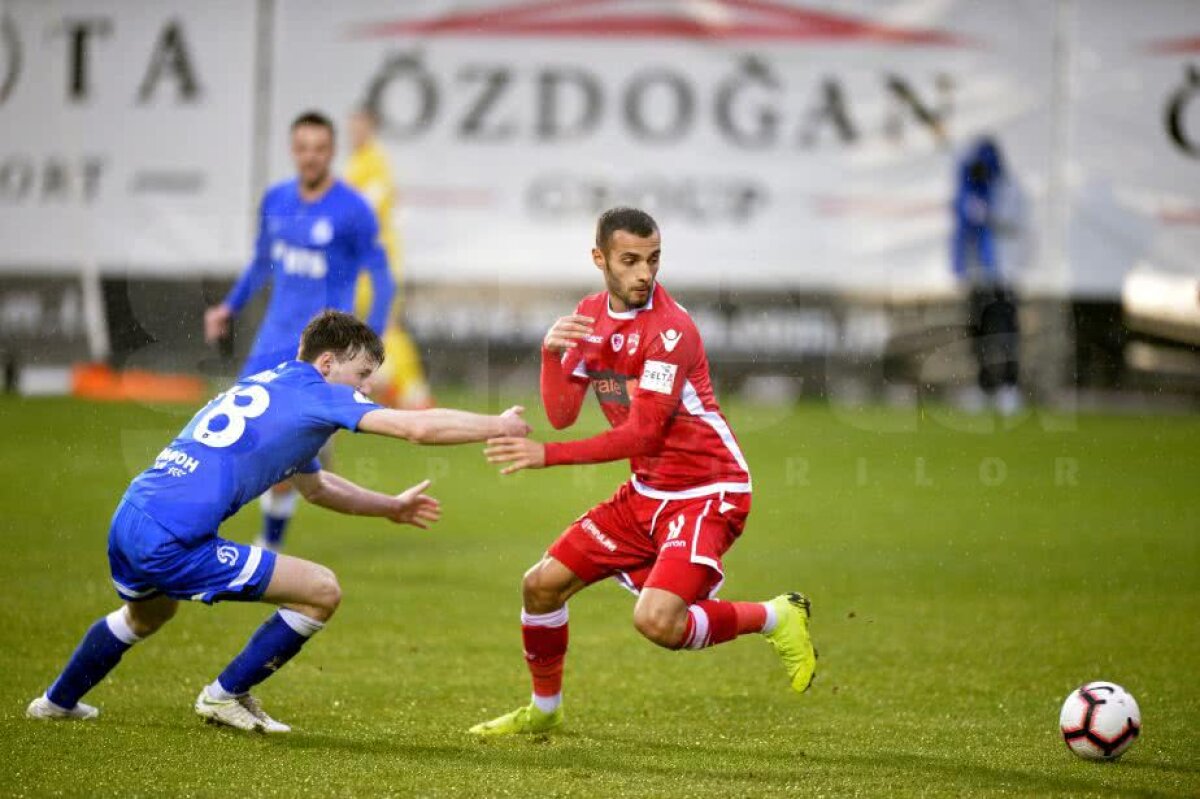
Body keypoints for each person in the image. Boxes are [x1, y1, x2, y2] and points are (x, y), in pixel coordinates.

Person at [27, 311, 530, 733]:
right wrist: (498, 425)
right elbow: (417, 427)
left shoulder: (273, 387)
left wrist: (389, 507)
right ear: (327, 362)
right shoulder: (320, 394)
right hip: (174, 540)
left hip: (133, 515)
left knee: (147, 616)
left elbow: (317, 487)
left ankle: (56, 702)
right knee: (321, 590)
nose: (366, 388)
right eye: (361, 375)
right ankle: (224, 695)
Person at [468, 208, 816, 737]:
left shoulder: (671, 331)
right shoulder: (588, 317)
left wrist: (550, 455)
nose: (643, 273)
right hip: (648, 492)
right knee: (540, 587)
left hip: (708, 491)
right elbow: (561, 412)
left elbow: (643, 434)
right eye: (629, 261)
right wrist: (549, 353)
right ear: (599, 259)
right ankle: (545, 710)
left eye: (652, 260)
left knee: (657, 622)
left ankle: (775, 616)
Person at [204, 110, 397, 552]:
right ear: (294, 151)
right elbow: (260, 265)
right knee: (237, 437)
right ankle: (229, 527)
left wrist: (371, 356)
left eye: (320, 149)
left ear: (332, 152)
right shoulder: (275, 200)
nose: (311, 157)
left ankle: (268, 546)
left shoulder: (353, 210)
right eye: (303, 148)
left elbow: (383, 279)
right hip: (273, 342)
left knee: (286, 453)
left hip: (326, 356)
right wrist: (227, 308)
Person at [345, 106, 432, 410]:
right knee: (366, 325)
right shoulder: (356, 161)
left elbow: (369, 205)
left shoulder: (375, 160)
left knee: (386, 325)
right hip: (360, 263)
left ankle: (412, 390)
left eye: (359, 126)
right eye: (351, 126)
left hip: (378, 260)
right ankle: (389, 381)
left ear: (371, 127)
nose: (354, 132)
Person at [952, 136, 1024, 415]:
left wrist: (989, 213)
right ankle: (984, 386)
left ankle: (1009, 387)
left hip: (1003, 275)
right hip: (978, 275)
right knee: (978, 332)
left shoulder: (1010, 189)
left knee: (1004, 332)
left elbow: (1014, 224)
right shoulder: (971, 188)